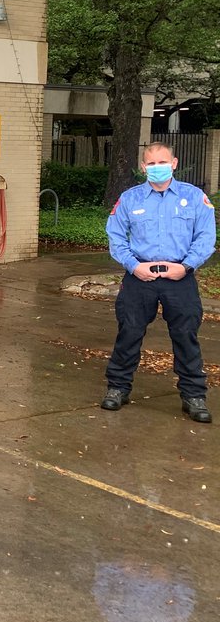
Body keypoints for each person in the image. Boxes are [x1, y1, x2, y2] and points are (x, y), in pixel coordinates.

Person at [101, 142, 215, 423]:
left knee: (186, 336)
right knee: (128, 333)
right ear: (143, 167)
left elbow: (206, 237)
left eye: (162, 162)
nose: (157, 168)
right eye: (151, 164)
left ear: (174, 163)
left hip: (180, 278)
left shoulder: (194, 196)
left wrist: (186, 266)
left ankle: (193, 396)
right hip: (140, 277)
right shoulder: (130, 199)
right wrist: (134, 266)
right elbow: (115, 236)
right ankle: (118, 388)